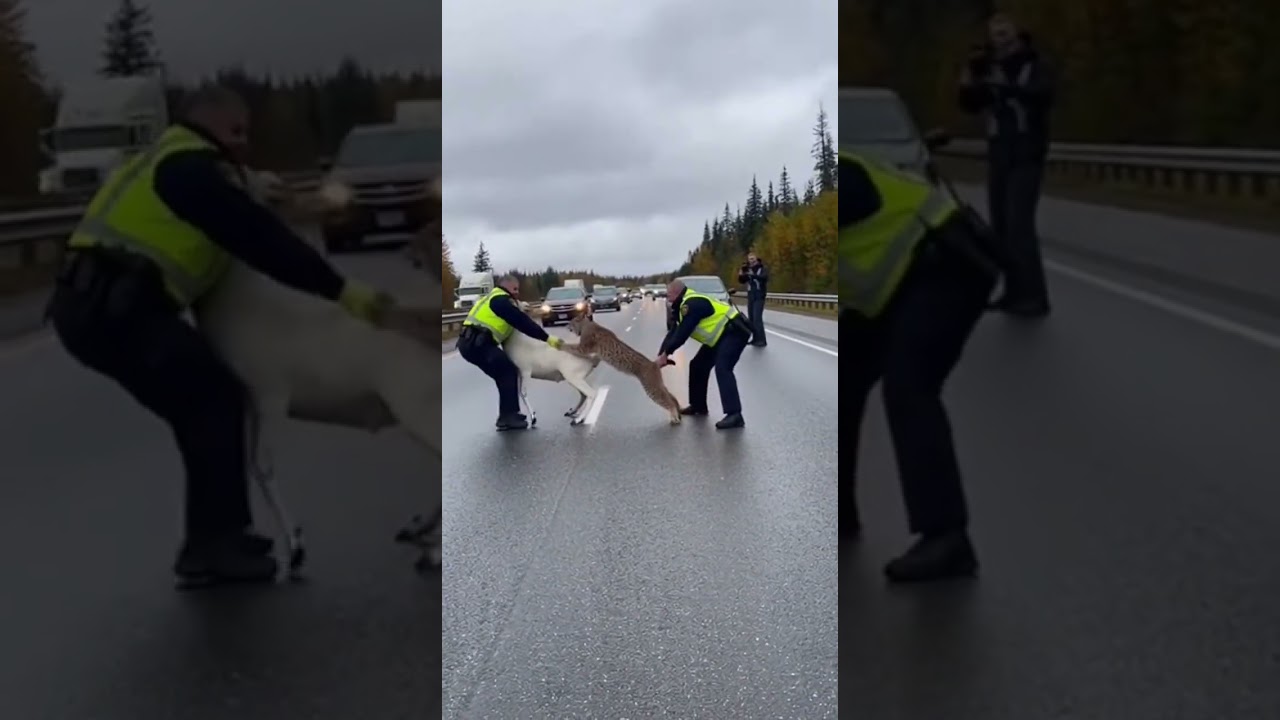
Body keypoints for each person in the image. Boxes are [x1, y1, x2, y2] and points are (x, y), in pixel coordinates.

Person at [45, 86, 394, 587]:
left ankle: (214, 534)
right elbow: (259, 239)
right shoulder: (191, 171)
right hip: (114, 309)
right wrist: (343, 292)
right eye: (237, 131)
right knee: (213, 400)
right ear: (213, 127)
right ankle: (215, 545)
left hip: (97, 306)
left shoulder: (168, 159)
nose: (244, 143)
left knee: (201, 406)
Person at [839, 149, 999, 583]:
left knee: (909, 388)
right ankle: (840, 514)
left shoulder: (838, 180)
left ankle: (947, 539)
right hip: (898, 285)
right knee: (845, 383)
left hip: (946, 264)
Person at [957, 10, 1054, 317]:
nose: (1001, 38)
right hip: (999, 152)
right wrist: (970, 80)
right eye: (995, 33)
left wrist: (1004, 87)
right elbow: (970, 105)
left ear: (1016, 33)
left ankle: (1035, 296)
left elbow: (1042, 95)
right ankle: (1014, 292)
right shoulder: (989, 67)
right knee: (1000, 226)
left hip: (1027, 151)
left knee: (1019, 225)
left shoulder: (1034, 64)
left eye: (1005, 32)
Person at [456, 275, 566, 430]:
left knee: (503, 374)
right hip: (477, 344)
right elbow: (522, 322)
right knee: (507, 372)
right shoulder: (501, 301)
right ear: (506, 287)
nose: (517, 293)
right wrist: (547, 339)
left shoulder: (493, 297)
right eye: (515, 289)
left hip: (471, 343)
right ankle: (508, 416)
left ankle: (507, 414)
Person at [656, 278, 752, 430]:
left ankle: (735, 415)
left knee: (723, 368)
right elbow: (673, 332)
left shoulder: (692, 304)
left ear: (676, 292)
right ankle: (698, 406)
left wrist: (668, 352)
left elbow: (683, 333)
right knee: (697, 365)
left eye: (668, 295)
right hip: (720, 337)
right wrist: (661, 355)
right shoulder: (681, 306)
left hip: (734, 332)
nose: (667, 298)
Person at [737, 252, 770, 347]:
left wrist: (752, 275)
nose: (751, 261)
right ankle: (755, 339)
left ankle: (762, 340)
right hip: (751, 295)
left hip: (759, 296)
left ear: (756, 259)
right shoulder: (748, 269)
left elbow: (764, 278)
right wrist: (741, 274)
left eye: (753, 259)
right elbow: (742, 281)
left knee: (757, 318)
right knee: (751, 318)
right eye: (750, 259)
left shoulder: (762, 268)